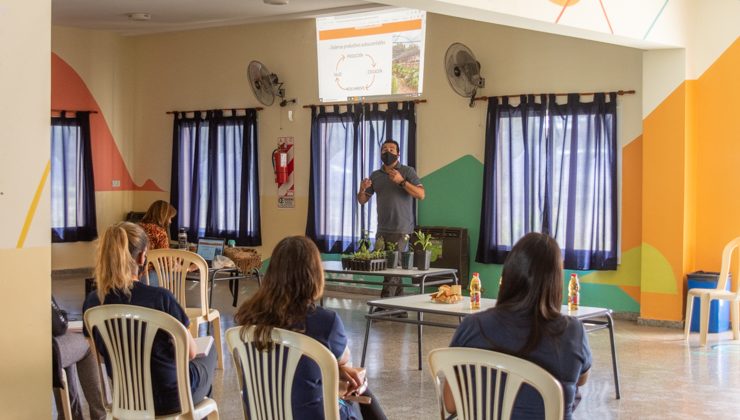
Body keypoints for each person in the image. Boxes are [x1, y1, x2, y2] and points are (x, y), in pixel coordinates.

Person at [234, 236, 387, 420]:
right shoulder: (325, 322)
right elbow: (344, 359)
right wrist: (343, 370)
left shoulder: (248, 316)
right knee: (360, 390)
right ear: (314, 274)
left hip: (262, 413)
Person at [446, 232, 591, 420]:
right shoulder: (573, 332)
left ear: (508, 275)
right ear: (555, 282)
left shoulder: (472, 326)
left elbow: (450, 404)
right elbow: (580, 379)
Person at [83, 222, 216, 416]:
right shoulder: (162, 299)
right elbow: (190, 353)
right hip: (171, 396)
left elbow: (99, 356)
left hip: (125, 397)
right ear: (142, 257)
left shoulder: (92, 302)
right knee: (208, 355)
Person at [357, 139, 425, 300]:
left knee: (393, 270)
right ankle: (399, 308)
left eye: (392, 149)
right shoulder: (376, 175)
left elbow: (421, 194)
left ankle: (383, 305)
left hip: (401, 229)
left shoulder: (408, 171)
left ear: (398, 153)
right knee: (391, 269)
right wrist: (362, 189)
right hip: (382, 229)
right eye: (384, 149)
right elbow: (362, 200)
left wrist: (401, 181)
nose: (388, 152)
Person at [52, 297, 106, 420]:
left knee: (65, 345)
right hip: (48, 350)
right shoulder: (37, 284)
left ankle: (69, 415)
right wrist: (63, 315)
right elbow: (58, 326)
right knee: (87, 343)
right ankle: (100, 416)